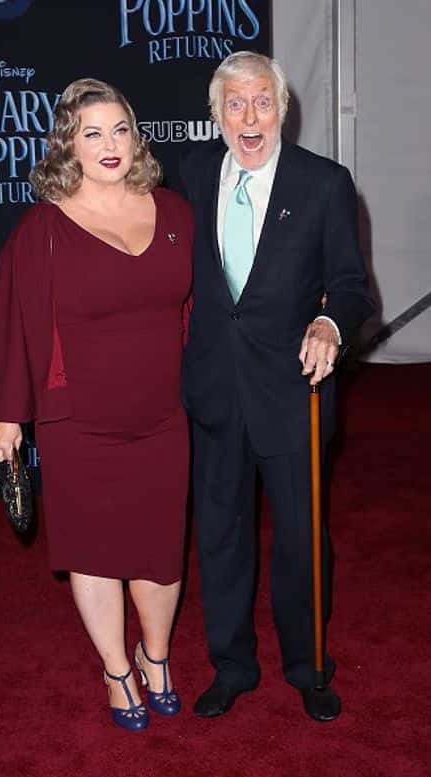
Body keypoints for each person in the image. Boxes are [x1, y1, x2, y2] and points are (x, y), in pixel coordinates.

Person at [0, 78, 193, 732]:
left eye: (120, 128)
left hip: (163, 412)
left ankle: (154, 656)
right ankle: (115, 668)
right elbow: (13, 323)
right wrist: (8, 413)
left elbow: (201, 314)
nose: (109, 144)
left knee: (161, 550)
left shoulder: (176, 212)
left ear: (136, 136)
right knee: (95, 551)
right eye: (92, 132)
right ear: (69, 142)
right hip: (80, 421)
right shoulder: (42, 228)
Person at [179, 51, 373, 722]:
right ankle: (232, 666)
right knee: (221, 537)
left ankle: (309, 666)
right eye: (235, 104)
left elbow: (351, 285)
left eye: (263, 102)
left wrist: (328, 320)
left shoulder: (324, 184)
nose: (250, 117)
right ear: (216, 115)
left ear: (283, 109)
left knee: (300, 539)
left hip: (294, 393)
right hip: (215, 393)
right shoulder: (194, 174)